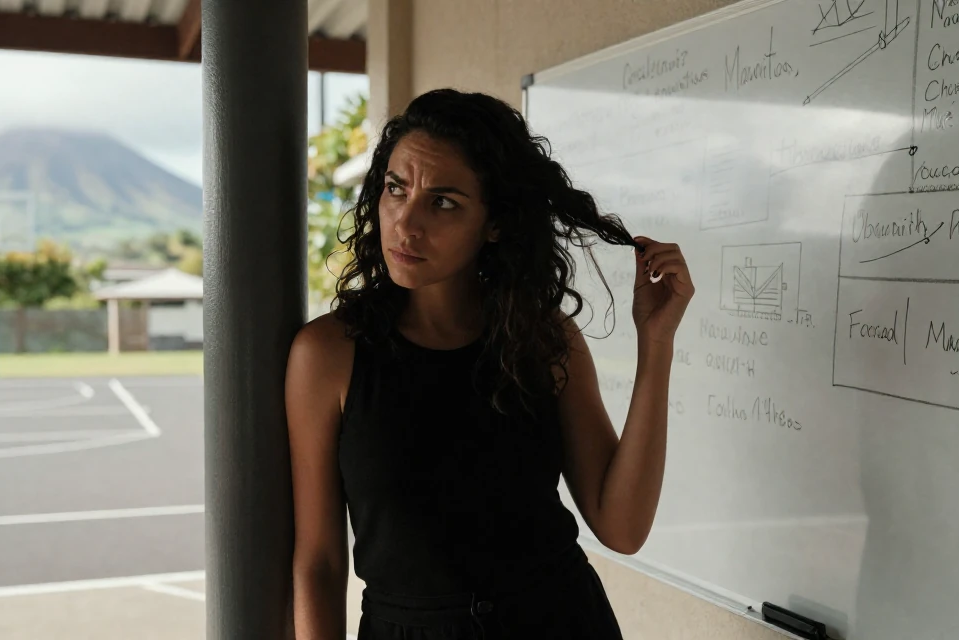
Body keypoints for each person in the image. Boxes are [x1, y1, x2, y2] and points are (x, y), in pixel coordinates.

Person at [285, 88, 694, 640]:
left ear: (495, 222)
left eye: (443, 202)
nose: (406, 223)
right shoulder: (328, 354)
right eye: (395, 188)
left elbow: (621, 527)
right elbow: (318, 562)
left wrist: (656, 341)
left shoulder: (543, 339)